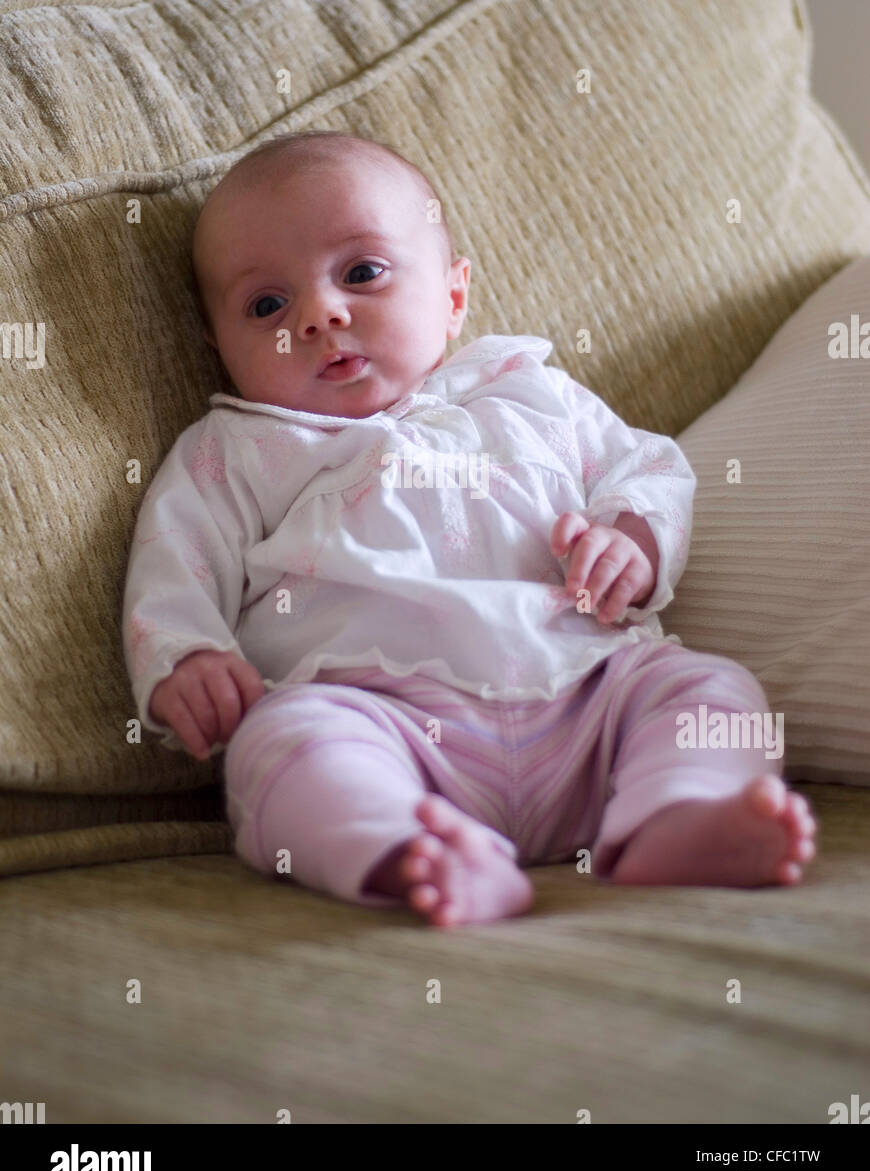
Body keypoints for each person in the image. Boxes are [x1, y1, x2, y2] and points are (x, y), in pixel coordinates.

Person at [122, 130, 817, 927]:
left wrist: (630, 537)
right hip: (375, 725)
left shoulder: (530, 395)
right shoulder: (237, 450)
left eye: (362, 272)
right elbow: (175, 559)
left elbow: (650, 469)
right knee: (278, 746)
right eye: (266, 305)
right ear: (220, 346)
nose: (320, 313)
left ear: (453, 297)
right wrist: (187, 655)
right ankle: (410, 851)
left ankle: (678, 814)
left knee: (711, 690)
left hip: (589, 700)